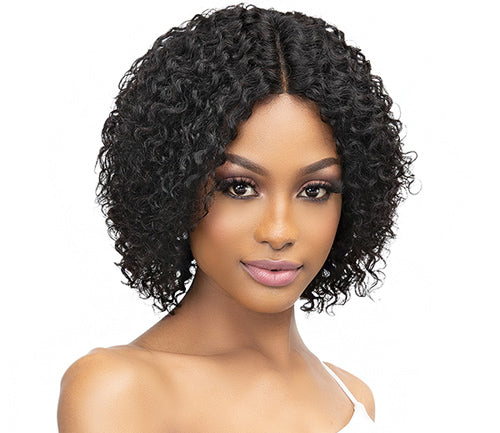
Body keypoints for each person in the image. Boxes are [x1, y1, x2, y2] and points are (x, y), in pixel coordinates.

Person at [57, 3, 416, 432]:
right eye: (240, 188)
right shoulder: (120, 390)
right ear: (175, 186)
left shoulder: (353, 396)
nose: (279, 232)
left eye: (314, 190)